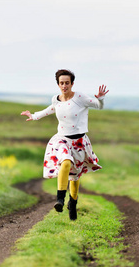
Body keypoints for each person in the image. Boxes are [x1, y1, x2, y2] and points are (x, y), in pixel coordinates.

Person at [21, 69, 109, 220]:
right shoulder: (56, 99)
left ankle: (73, 204)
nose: (64, 86)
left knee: (74, 177)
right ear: (58, 84)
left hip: (79, 142)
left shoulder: (80, 97)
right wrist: (34, 116)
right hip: (62, 139)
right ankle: (60, 200)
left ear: (72, 83)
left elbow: (98, 106)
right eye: (61, 83)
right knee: (65, 162)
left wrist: (100, 99)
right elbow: (51, 109)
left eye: (67, 83)